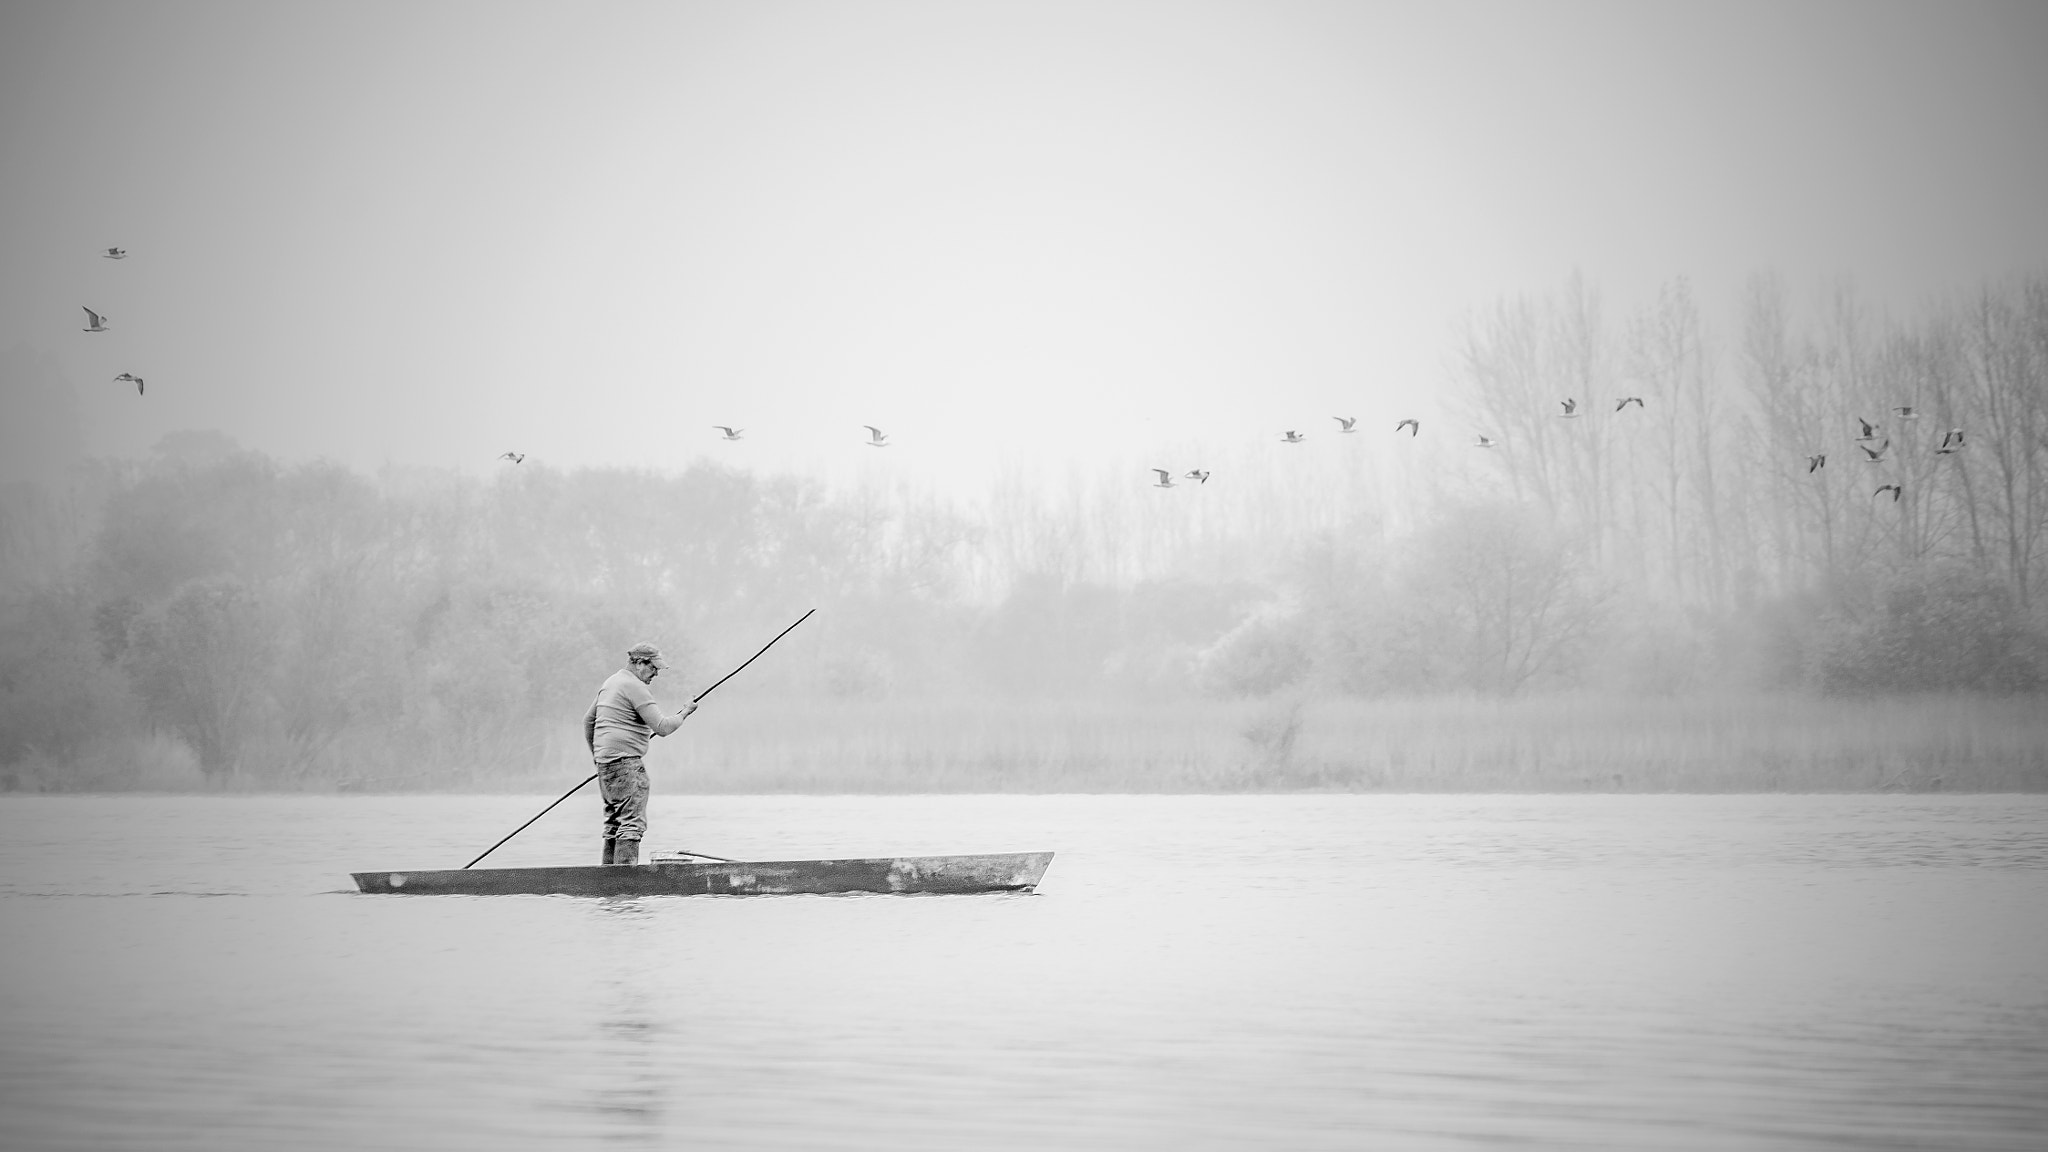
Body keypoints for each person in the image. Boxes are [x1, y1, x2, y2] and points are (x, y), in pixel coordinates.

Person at [584, 642, 697, 865]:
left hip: (606, 764)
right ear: (638, 663)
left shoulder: (612, 682)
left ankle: (609, 882)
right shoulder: (634, 686)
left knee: (614, 823)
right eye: (653, 667)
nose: (655, 673)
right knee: (631, 825)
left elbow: (588, 721)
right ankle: (625, 886)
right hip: (626, 765)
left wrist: (598, 757)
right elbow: (663, 727)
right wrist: (685, 712)